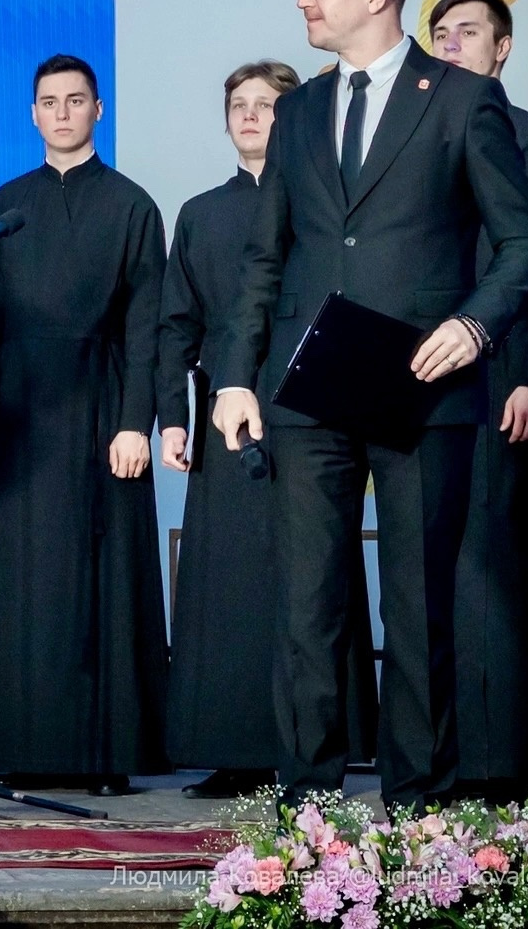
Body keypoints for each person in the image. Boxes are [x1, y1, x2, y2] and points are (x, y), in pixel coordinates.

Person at [211, 0, 528, 808]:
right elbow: (265, 257)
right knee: (306, 605)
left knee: (419, 601)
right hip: (308, 382)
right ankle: (306, 806)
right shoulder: (300, 110)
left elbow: (524, 244)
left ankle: (418, 809)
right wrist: (236, 375)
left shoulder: (463, 99)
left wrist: (475, 326)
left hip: (423, 384)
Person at [0, 56, 170, 795]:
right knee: (24, 583)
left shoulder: (131, 203)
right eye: (48, 102)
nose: (61, 113)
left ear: (97, 110)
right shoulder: (5, 203)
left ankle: (104, 753)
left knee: (102, 580)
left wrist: (135, 421)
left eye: (75, 100)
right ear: (33, 114)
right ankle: (22, 746)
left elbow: (147, 325)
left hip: (101, 401)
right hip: (21, 410)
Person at [163, 60, 364, 798]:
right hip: (227, 411)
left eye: (267, 104)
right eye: (238, 105)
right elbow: (175, 325)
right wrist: (173, 417)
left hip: (312, 402)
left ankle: (319, 752)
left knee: (312, 579)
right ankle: (233, 749)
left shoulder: (327, 203)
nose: (250, 116)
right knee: (229, 584)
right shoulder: (199, 212)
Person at [427, 0, 528, 799]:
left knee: (500, 570)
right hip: (428, 382)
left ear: (504, 46)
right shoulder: (418, 135)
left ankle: (507, 759)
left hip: (506, 379)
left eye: (468, 32)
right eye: (440, 33)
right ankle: (441, 755)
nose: (451, 44)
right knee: (435, 567)